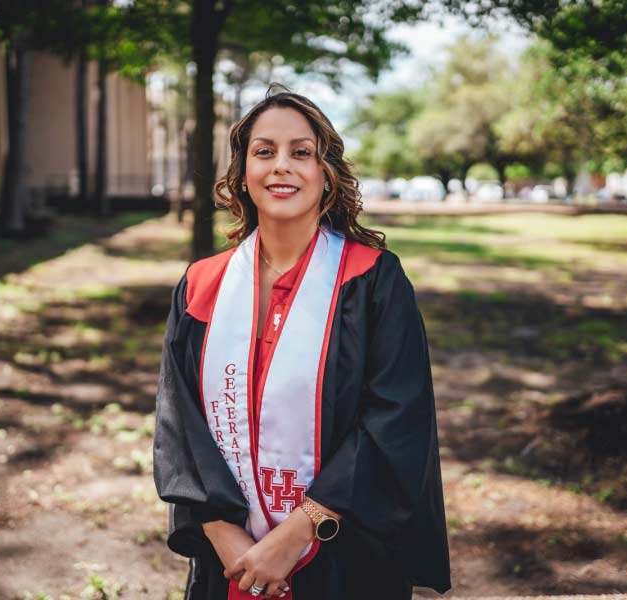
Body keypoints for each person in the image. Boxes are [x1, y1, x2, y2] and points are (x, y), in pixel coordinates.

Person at [153, 86, 451, 600]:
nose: (281, 167)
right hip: (229, 559)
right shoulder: (201, 287)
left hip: (345, 552)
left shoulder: (373, 281)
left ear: (326, 173)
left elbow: (396, 416)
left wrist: (298, 531)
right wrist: (228, 541)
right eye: (264, 152)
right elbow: (180, 425)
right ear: (241, 175)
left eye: (301, 152)